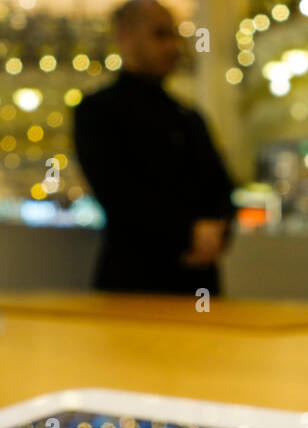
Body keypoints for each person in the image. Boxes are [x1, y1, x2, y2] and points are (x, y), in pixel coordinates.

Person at [74, 0, 235, 295]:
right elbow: (120, 197)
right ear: (126, 37)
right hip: (132, 285)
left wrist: (217, 232)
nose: (173, 47)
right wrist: (189, 235)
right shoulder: (98, 112)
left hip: (197, 286)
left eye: (174, 35)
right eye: (160, 35)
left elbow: (222, 188)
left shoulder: (188, 117)